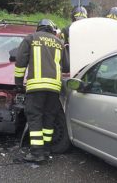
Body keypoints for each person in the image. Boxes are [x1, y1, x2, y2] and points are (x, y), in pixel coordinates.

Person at [14, 19, 69, 162]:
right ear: (52, 29)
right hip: (54, 89)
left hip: (36, 87)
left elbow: (20, 63)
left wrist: (18, 84)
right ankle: (46, 149)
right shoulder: (59, 43)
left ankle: (37, 153)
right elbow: (67, 67)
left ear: (38, 28)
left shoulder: (31, 38)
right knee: (49, 118)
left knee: (35, 117)